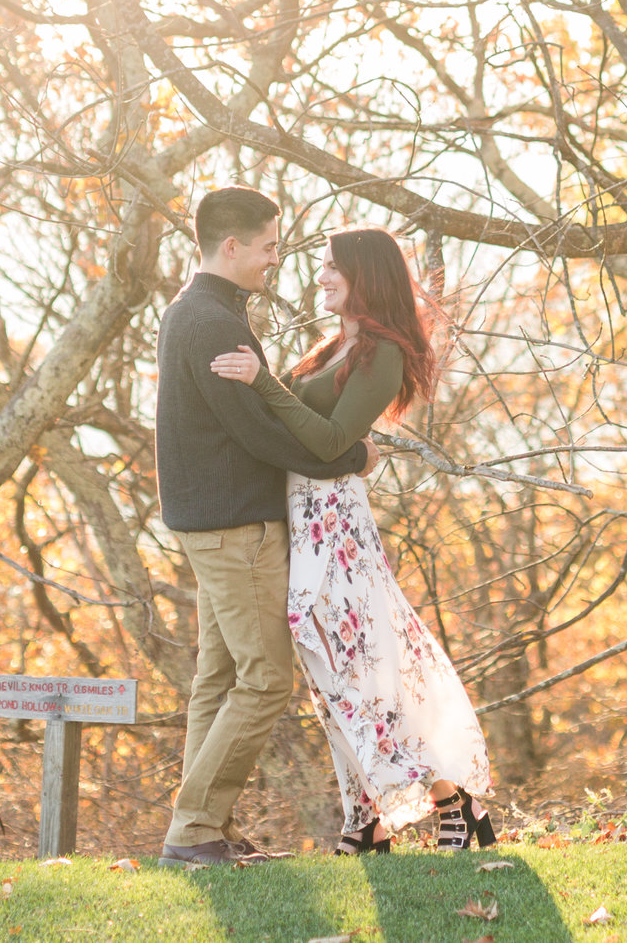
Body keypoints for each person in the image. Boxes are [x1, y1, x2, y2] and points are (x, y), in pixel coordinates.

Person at [211, 225, 497, 853]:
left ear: (364, 274)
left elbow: (327, 441)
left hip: (334, 523)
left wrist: (263, 382)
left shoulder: (381, 352)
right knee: (329, 671)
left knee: (362, 667)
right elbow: (299, 430)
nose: (319, 277)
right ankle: (362, 819)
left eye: (331, 266)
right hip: (300, 518)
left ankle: (450, 799)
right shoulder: (328, 348)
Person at [153, 186, 374, 868]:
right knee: (265, 680)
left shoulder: (196, 311)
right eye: (270, 246)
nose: (276, 258)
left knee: (218, 681)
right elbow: (254, 431)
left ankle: (205, 826)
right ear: (233, 247)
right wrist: (346, 456)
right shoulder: (213, 322)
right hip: (234, 527)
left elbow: (247, 421)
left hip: (209, 523)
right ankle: (192, 831)